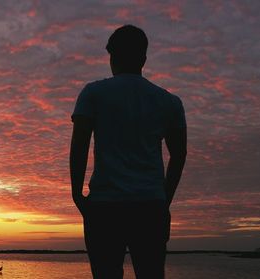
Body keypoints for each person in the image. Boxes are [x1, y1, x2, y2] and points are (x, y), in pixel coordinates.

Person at [70, 25, 187, 279]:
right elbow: (179, 155)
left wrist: (77, 194)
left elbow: (79, 146)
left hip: (104, 207)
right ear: (143, 58)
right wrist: (163, 199)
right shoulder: (169, 102)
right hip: (150, 206)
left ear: (112, 56)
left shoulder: (93, 94)